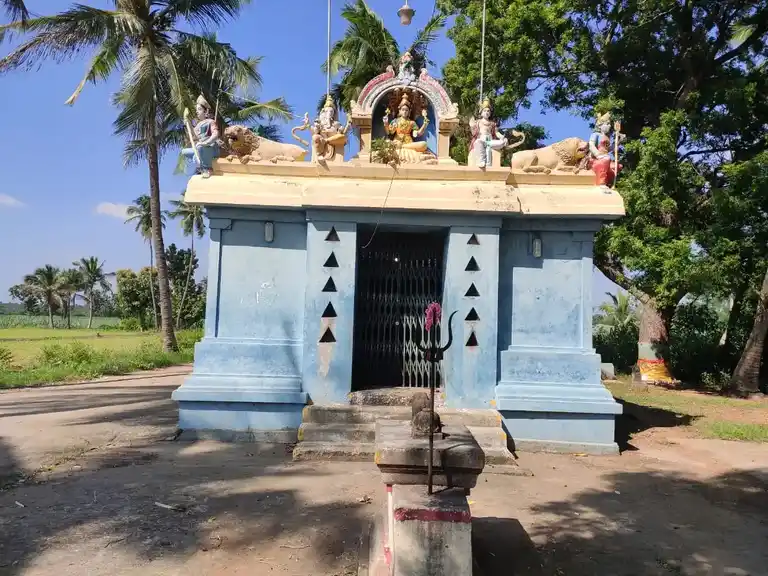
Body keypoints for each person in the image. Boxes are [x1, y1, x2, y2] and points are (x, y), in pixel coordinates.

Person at [182, 94, 220, 179]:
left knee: (200, 147)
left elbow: (215, 134)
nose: (197, 112)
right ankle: (199, 163)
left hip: (211, 147)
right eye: (196, 110)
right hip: (201, 147)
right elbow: (194, 137)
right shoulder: (198, 125)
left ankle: (207, 169)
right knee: (184, 152)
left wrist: (206, 143)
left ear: (205, 112)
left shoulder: (210, 122)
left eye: (199, 109)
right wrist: (188, 122)